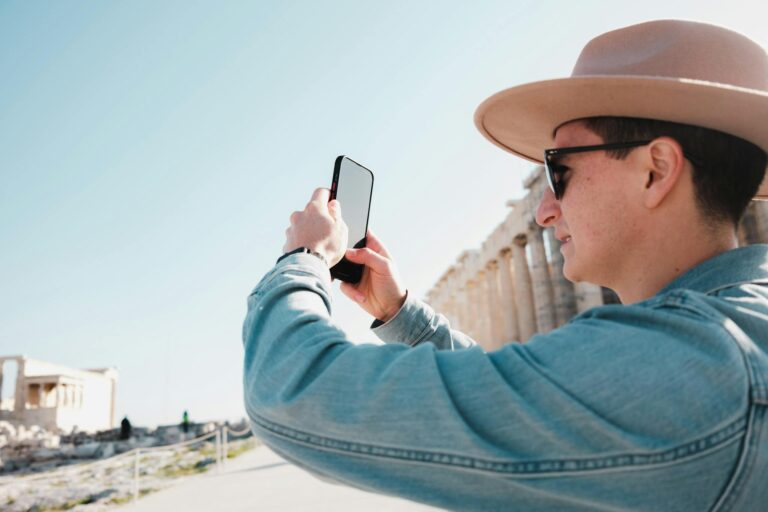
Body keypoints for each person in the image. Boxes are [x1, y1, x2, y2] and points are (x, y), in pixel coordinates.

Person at [242, 20, 768, 511]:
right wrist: (399, 313)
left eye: (558, 172)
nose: (543, 211)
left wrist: (305, 258)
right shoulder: (725, 336)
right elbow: (538, 401)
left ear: (656, 171)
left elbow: (293, 396)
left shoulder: (693, 366)